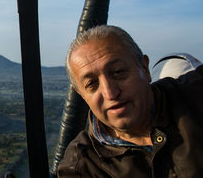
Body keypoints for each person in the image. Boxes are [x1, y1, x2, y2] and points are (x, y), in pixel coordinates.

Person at [57, 25, 203, 178]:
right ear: (81, 95)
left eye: (118, 72)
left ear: (145, 69)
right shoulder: (81, 167)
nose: (110, 93)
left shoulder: (195, 94)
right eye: (92, 84)